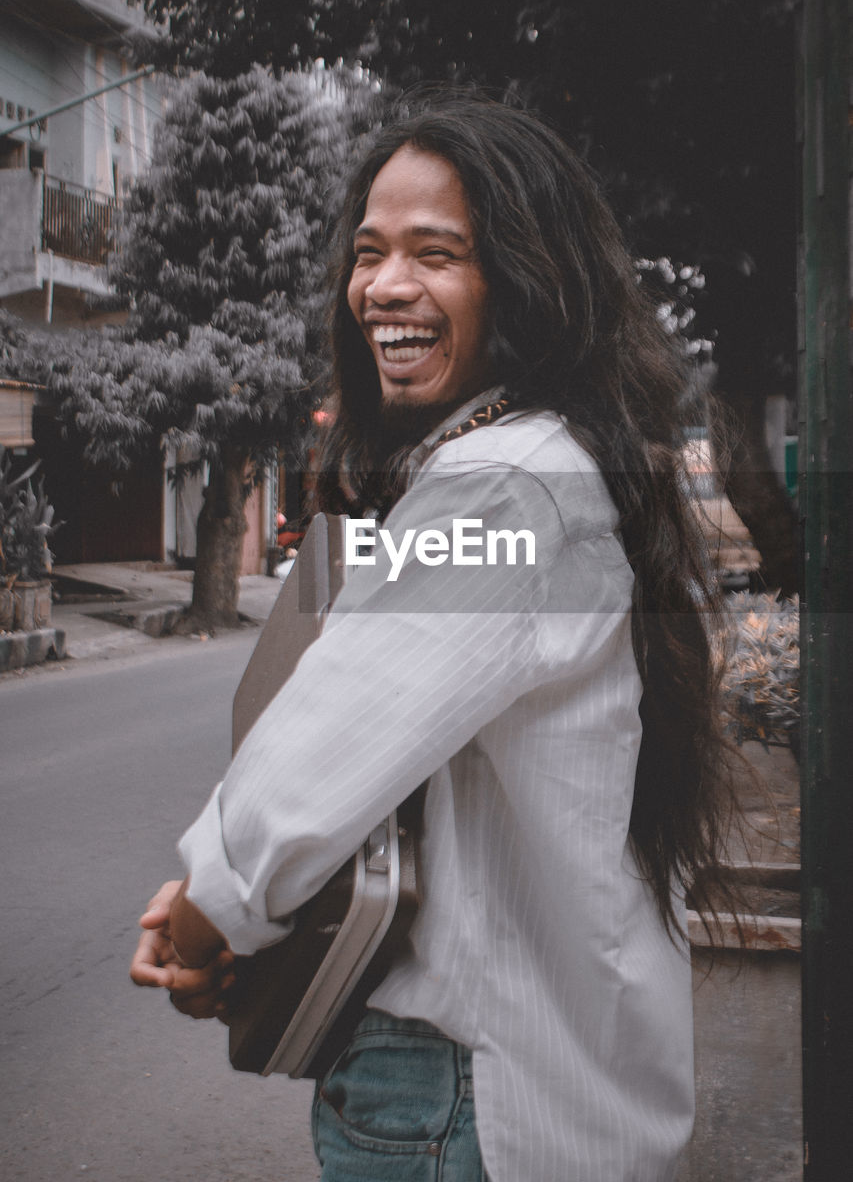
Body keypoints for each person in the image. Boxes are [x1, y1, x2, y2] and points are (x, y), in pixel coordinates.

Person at [131, 94, 738, 1181]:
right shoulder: (556, 461)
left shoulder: (504, 484)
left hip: (464, 1098)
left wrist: (206, 920)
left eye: (437, 253)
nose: (384, 288)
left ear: (527, 281)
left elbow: (324, 747)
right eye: (369, 254)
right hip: (540, 1088)